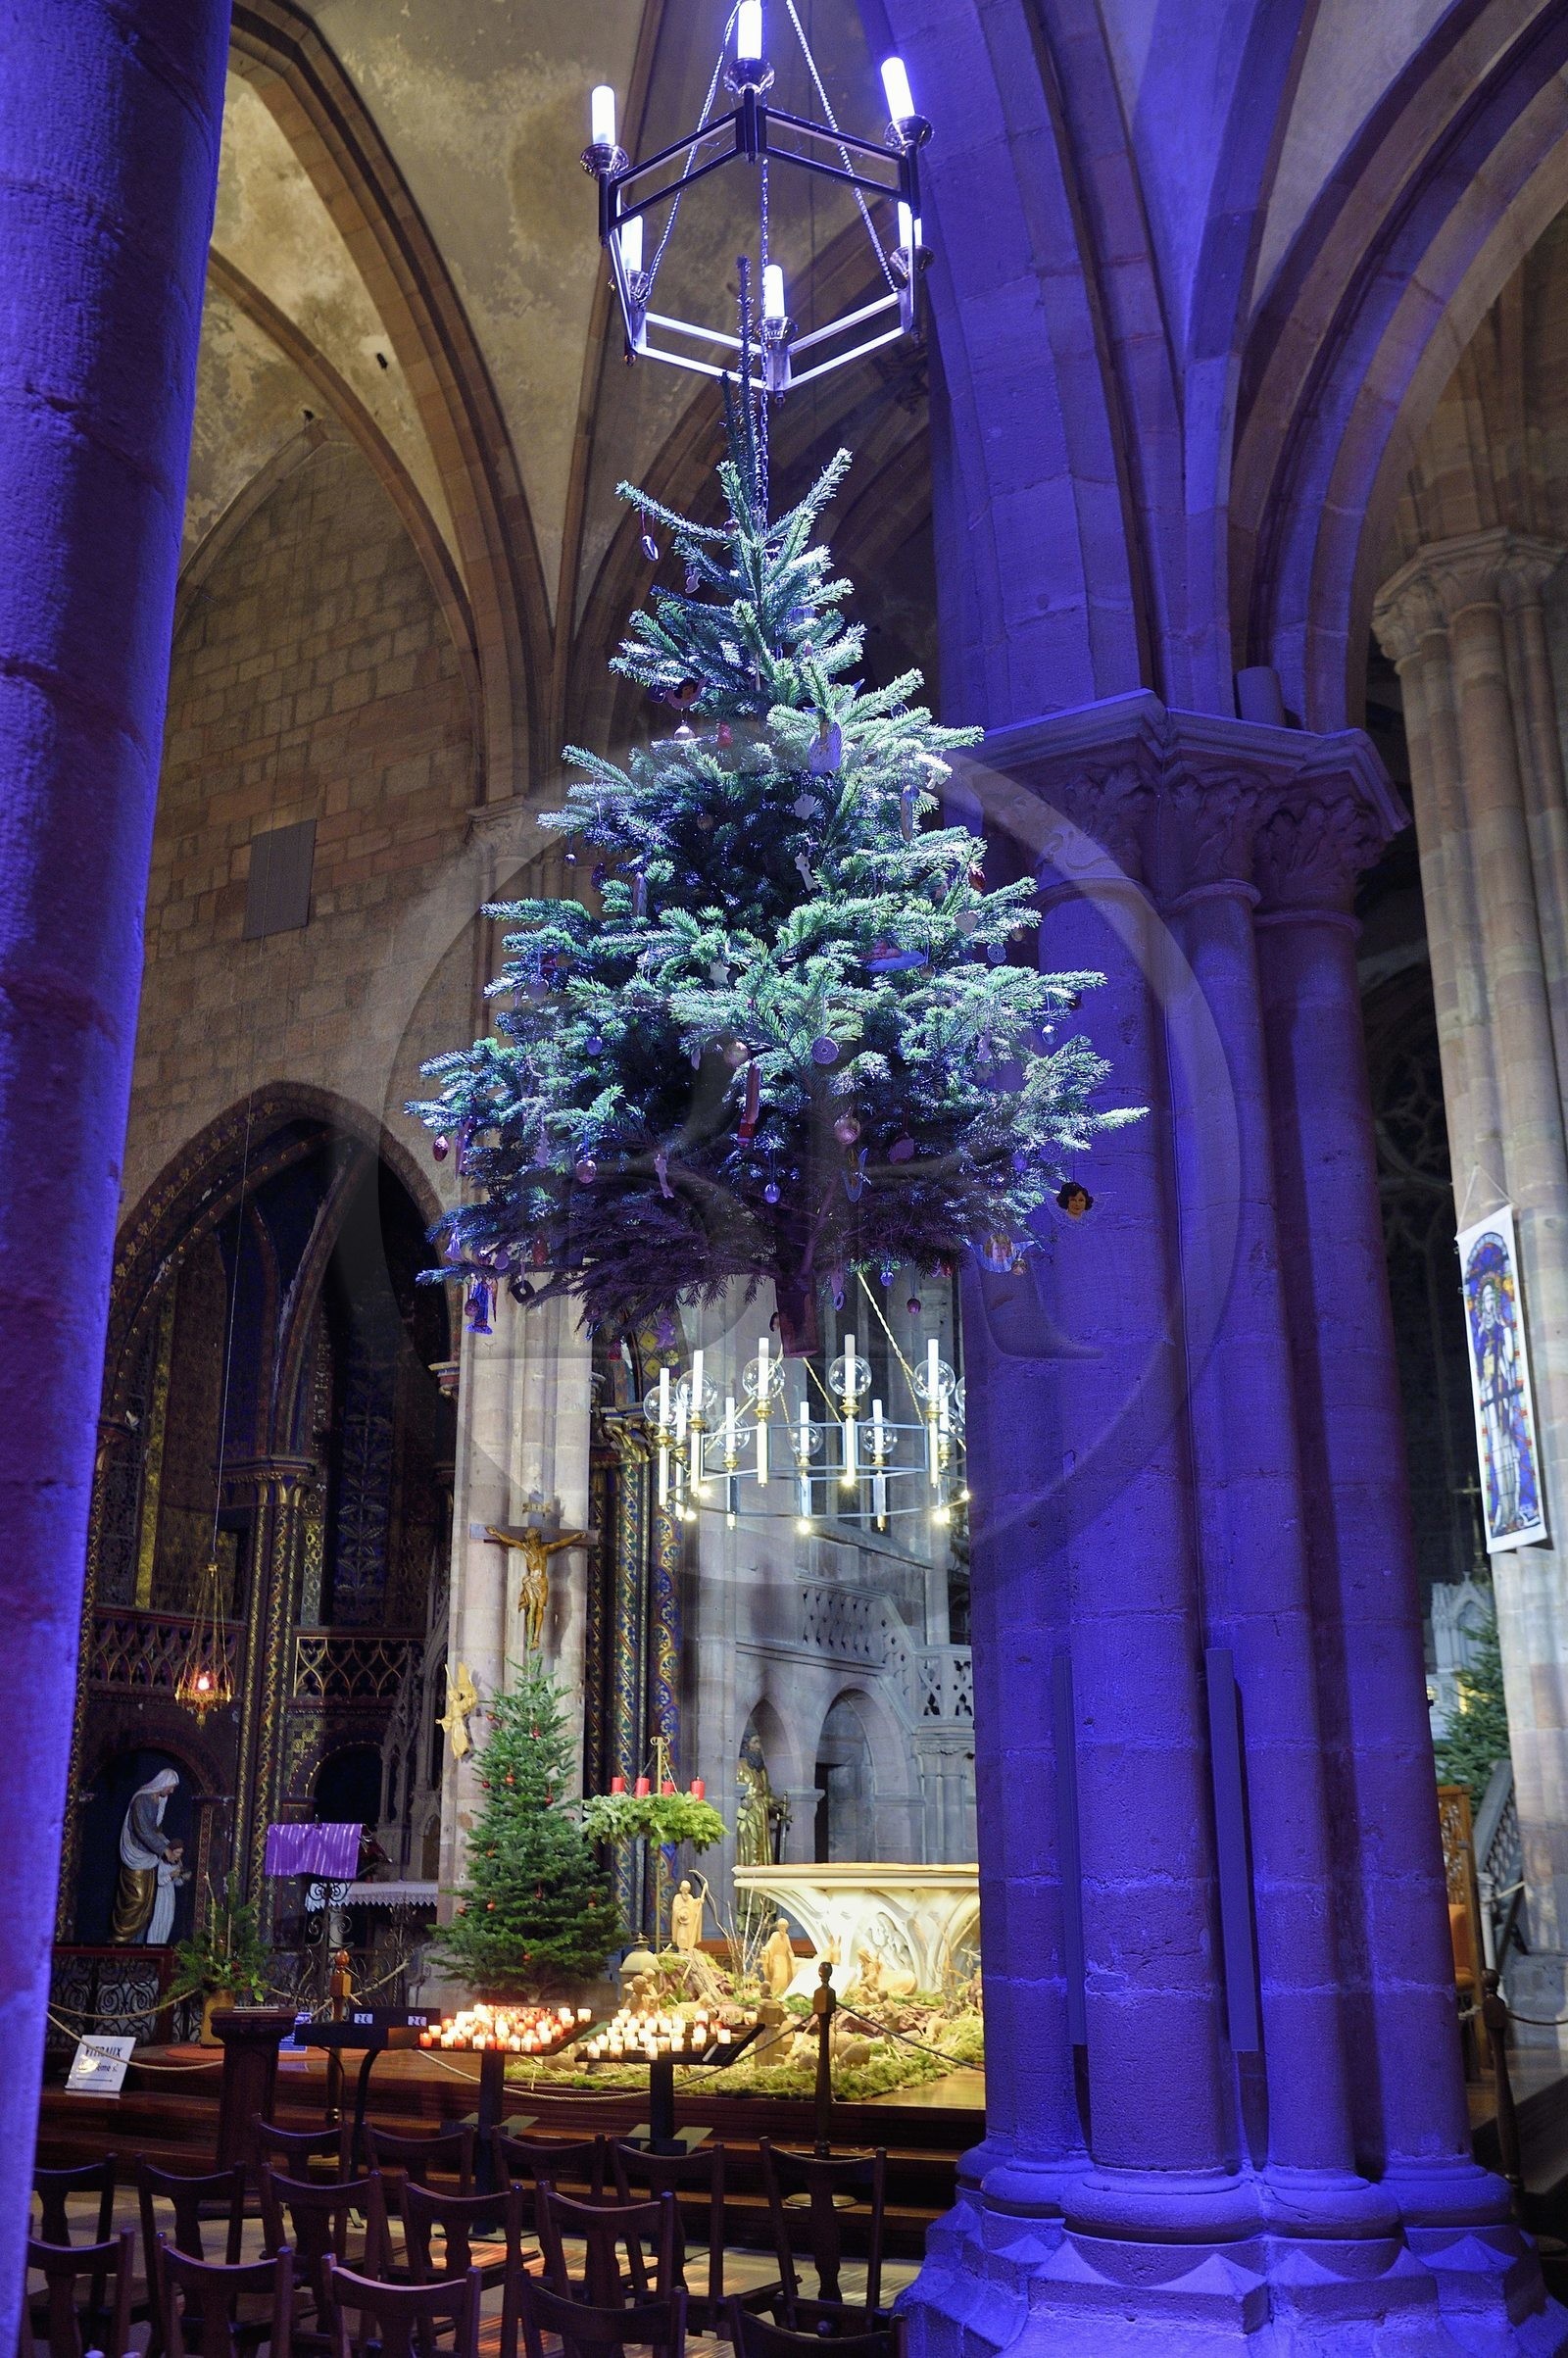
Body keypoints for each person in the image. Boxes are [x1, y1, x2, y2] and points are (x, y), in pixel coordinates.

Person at [111, 1767, 180, 1943]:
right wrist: (165, 1850)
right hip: (137, 1857)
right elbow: (143, 1830)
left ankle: (136, 1948)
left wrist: (167, 1846)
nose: (171, 1791)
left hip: (150, 1859)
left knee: (148, 1906)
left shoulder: (159, 1800)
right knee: (137, 1901)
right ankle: (120, 1944)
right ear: (162, 1783)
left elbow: (155, 1830)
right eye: (170, 1787)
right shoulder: (141, 1799)